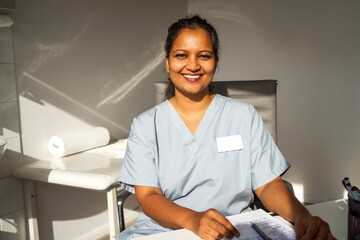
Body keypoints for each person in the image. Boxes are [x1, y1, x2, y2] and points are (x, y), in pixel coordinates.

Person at [117, 15, 335, 240]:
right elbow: (149, 195)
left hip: (234, 229)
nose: (192, 65)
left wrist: (301, 216)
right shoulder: (145, 125)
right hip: (165, 230)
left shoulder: (243, 115)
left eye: (204, 56)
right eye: (181, 55)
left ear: (216, 62)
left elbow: (268, 184)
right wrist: (193, 220)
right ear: (167, 62)